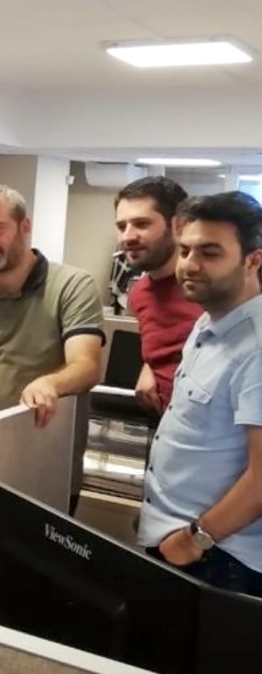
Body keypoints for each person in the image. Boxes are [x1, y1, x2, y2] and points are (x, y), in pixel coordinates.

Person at [139, 191, 262, 597]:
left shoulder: (256, 348)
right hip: (176, 535)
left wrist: (195, 540)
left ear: (253, 261)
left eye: (209, 253)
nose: (190, 264)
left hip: (219, 557)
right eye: (185, 250)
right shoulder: (209, 322)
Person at [0, 184, 104, 429]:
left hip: (39, 442)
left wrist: (50, 383)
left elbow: (87, 366)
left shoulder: (72, 286)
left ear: (24, 227)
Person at [115, 176, 201, 414]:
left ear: (178, 226)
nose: (127, 236)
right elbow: (169, 349)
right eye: (121, 227)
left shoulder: (211, 286)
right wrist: (149, 365)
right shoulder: (140, 294)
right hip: (169, 423)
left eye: (141, 224)